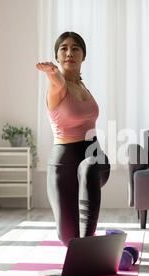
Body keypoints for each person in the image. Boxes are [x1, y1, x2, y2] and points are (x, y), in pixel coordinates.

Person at [36, 31, 110, 246]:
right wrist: (51, 72)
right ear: (57, 56)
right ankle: (81, 245)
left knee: (89, 166)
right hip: (65, 165)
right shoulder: (57, 87)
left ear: (83, 56)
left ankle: (88, 247)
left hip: (95, 159)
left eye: (75, 48)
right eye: (64, 48)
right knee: (68, 238)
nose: (69, 52)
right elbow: (58, 81)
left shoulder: (83, 86)